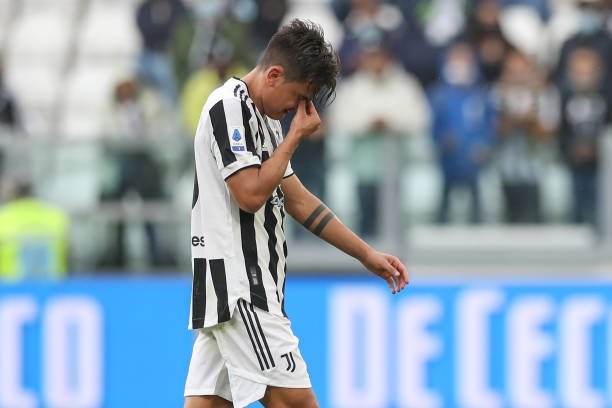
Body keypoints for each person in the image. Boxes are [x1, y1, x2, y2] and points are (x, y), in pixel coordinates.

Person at [184, 19, 409, 408]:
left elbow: (300, 201)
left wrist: (366, 254)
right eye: (299, 96)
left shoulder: (266, 121)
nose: (298, 110)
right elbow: (250, 194)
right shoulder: (229, 107)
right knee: (297, 402)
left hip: (238, 290)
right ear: (274, 75)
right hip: (242, 288)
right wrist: (293, 139)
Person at [329, 33, 430, 236]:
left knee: (395, 221)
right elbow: (341, 121)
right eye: (370, 56)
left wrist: (390, 123)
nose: (374, 61)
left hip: (396, 168)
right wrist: (368, 124)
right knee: (365, 219)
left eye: (378, 56)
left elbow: (419, 119)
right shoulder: (353, 87)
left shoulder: (405, 85)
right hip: (364, 167)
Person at [429, 41, 497, 224]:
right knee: (445, 197)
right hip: (448, 159)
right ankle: (440, 225)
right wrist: (443, 140)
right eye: (456, 59)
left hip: (475, 160)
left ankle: (478, 226)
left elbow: (490, 124)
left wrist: (484, 145)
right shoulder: (439, 95)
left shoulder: (482, 94)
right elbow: (434, 126)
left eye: (464, 59)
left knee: (476, 199)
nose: (460, 65)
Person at [559, 47, 610, 226]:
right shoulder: (563, 97)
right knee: (574, 209)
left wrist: (596, 147)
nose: (584, 78)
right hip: (572, 162)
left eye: (588, 72)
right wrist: (572, 149)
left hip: (603, 164)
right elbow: (560, 130)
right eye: (579, 72)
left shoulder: (607, 98)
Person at [0, 181, 69, 280]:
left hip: (10, 284)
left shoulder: (4, 217)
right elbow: (68, 252)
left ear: (13, 195)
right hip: (52, 283)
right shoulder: (56, 215)